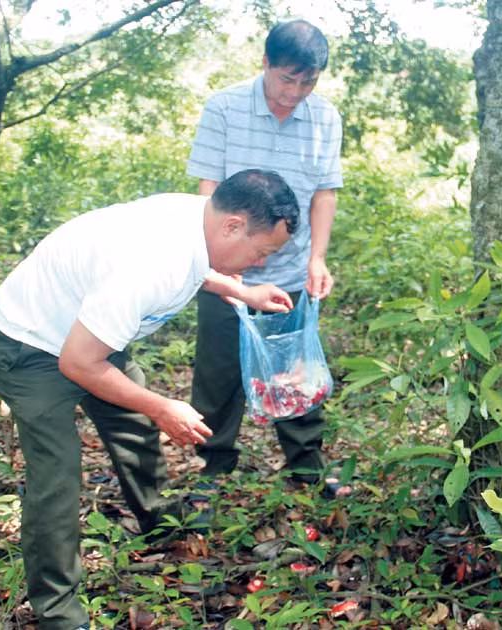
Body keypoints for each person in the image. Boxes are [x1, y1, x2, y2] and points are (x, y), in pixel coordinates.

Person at [0, 169, 299, 630]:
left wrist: (239, 289)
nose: (259, 263)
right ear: (233, 225)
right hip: (31, 348)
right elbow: (78, 364)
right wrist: (161, 405)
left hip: (89, 336)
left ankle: (159, 520)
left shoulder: (199, 219)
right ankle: (59, 614)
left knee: (134, 425)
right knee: (57, 476)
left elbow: (199, 266)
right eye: (260, 252)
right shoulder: (152, 263)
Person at [186, 19, 346, 495]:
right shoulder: (225, 108)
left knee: (294, 367)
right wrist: (222, 255)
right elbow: (209, 190)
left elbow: (325, 193)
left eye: (308, 81)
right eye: (286, 79)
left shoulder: (326, 118)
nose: (295, 91)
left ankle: (304, 463)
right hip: (230, 265)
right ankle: (214, 465)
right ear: (266, 63)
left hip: (290, 267)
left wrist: (317, 258)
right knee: (218, 371)